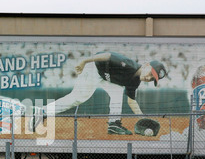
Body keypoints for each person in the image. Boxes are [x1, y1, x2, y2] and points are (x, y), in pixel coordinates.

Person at [29, 51, 167, 135]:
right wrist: (84, 61)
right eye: (150, 74)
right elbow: (107, 56)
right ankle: (42, 112)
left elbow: (131, 101)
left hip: (105, 77)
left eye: (151, 79)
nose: (148, 78)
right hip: (94, 68)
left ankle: (114, 124)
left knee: (117, 92)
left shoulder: (135, 81)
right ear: (146, 65)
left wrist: (141, 117)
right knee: (78, 98)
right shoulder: (128, 64)